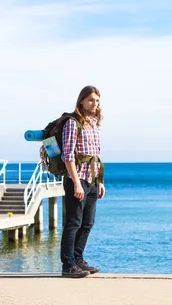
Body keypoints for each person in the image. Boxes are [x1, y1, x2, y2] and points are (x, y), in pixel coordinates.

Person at [60, 85, 105, 278]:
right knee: (73, 223)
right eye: (91, 100)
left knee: (88, 223)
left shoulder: (94, 123)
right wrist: (77, 183)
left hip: (93, 181)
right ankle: (68, 265)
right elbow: (68, 156)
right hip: (77, 180)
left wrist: (100, 181)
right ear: (81, 101)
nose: (95, 104)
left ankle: (78, 260)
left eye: (97, 100)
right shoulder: (73, 123)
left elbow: (96, 154)